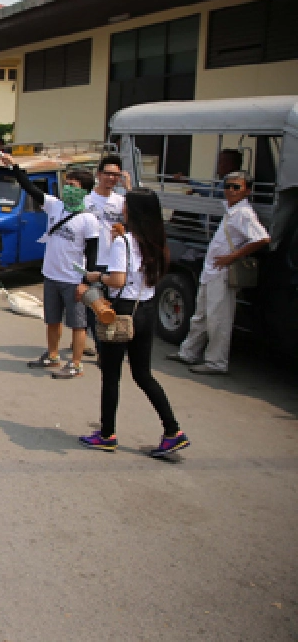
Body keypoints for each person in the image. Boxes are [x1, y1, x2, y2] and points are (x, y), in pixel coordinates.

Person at [77, 189, 191, 457]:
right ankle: (172, 430)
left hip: (122, 310)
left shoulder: (125, 242)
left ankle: (107, 434)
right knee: (142, 374)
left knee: (111, 374)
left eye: (126, 205)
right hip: (146, 309)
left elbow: (117, 280)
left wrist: (96, 277)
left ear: (135, 211)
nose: (123, 209)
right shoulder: (156, 241)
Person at [0, 153, 100, 378]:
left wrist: (86, 282)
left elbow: (92, 254)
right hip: (51, 275)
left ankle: (75, 364)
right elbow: (29, 187)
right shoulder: (55, 206)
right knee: (52, 320)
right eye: (67, 185)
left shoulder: (88, 219)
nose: (68, 189)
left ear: (84, 190)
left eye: (73, 186)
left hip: (73, 280)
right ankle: (53, 356)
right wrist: (13, 166)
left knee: (77, 324)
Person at [168, 170, 269, 375]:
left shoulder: (244, 213)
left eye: (236, 187)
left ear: (246, 191)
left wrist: (232, 257)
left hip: (222, 272)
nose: (230, 191)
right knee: (201, 316)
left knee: (218, 319)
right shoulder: (231, 210)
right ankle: (188, 352)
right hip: (212, 271)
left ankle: (216, 362)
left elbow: (262, 238)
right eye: (228, 186)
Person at [84, 155, 127, 357]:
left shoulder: (122, 201)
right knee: (94, 304)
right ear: (99, 175)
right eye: (108, 173)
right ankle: (98, 347)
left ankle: (104, 344)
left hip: (114, 261)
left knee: (111, 307)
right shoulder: (87, 200)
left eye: (115, 175)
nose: (111, 178)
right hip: (92, 260)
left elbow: (137, 222)